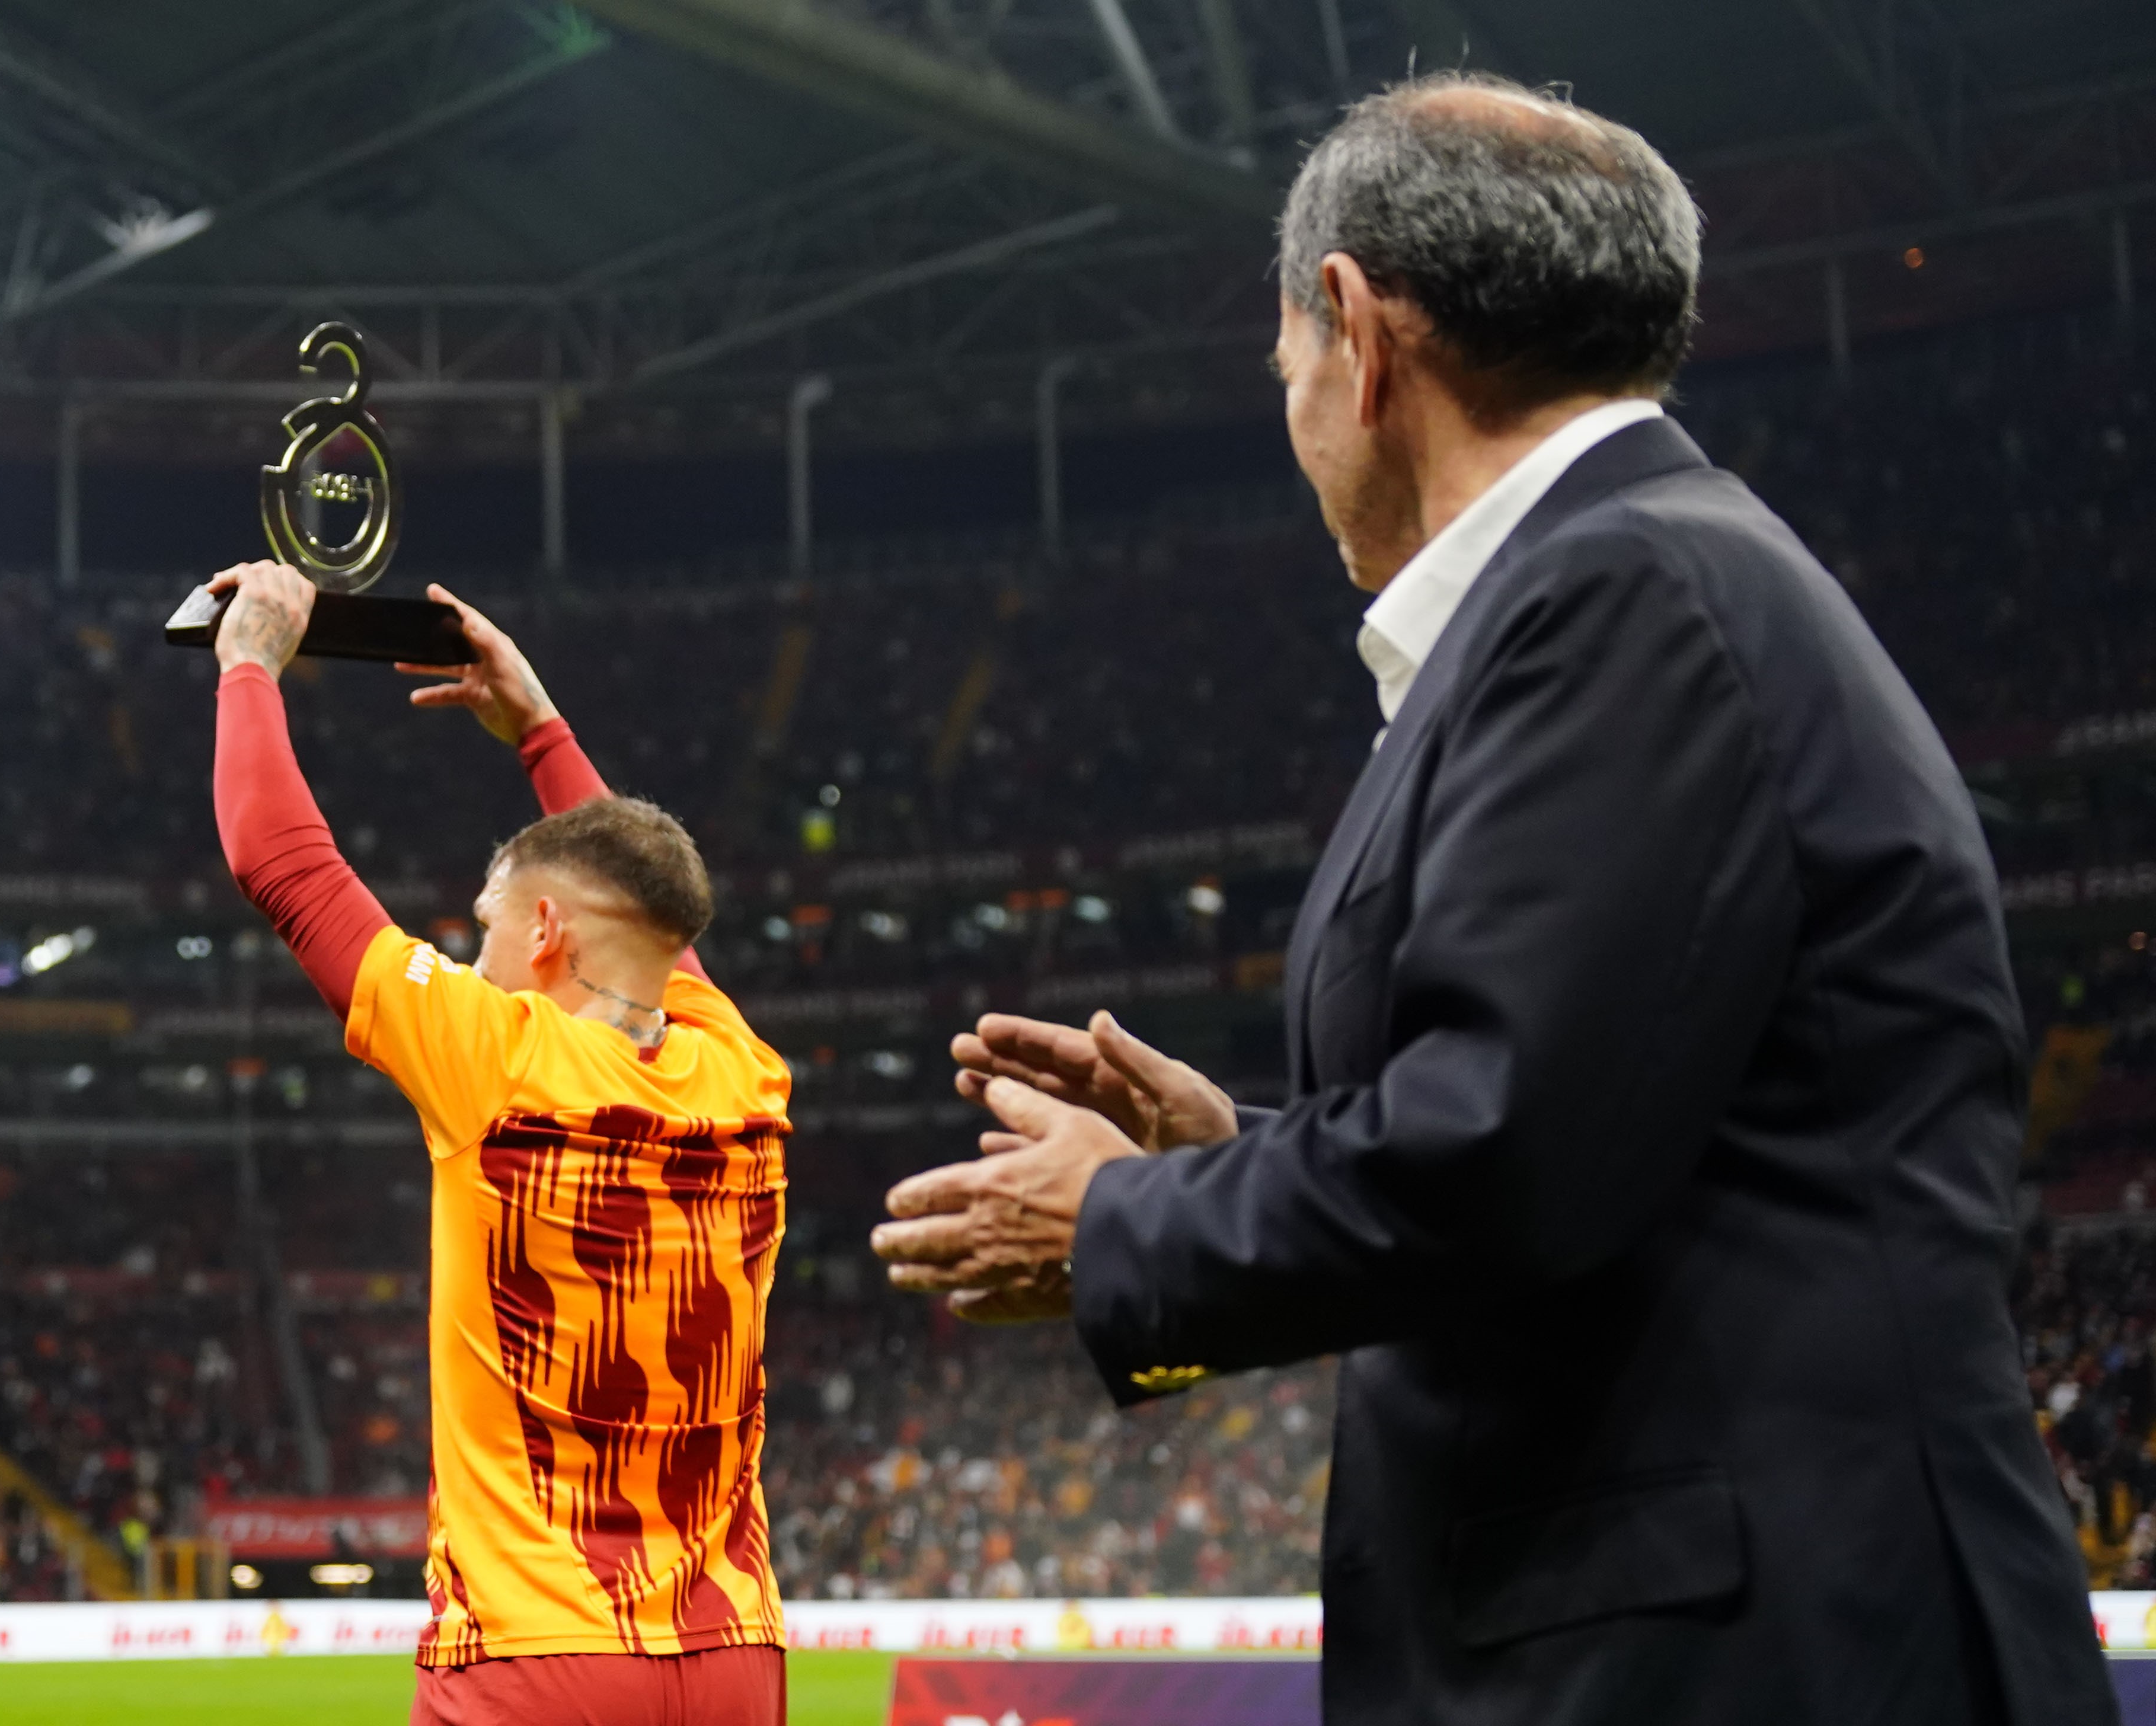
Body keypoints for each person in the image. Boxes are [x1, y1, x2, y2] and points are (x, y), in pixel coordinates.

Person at [868, 72, 2113, 1725]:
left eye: (1288, 365)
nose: (1295, 411)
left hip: (1746, 1653)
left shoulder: (1623, 593)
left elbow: (1500, 1154)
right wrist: (1229, 1157)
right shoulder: (1652, 573)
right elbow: (1610, 1135)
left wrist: (1118, 1224)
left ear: (1357, 329)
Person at [204, 562, 793, 1726]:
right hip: (735, 1651)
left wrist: (250, 665)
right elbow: (655, 920)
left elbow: (282, 861)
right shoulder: (746, 1072)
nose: (474, 951)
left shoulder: (493, 1055)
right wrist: (540, 727)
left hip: (535, 1651)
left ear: (548, 929)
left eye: (488, 923)